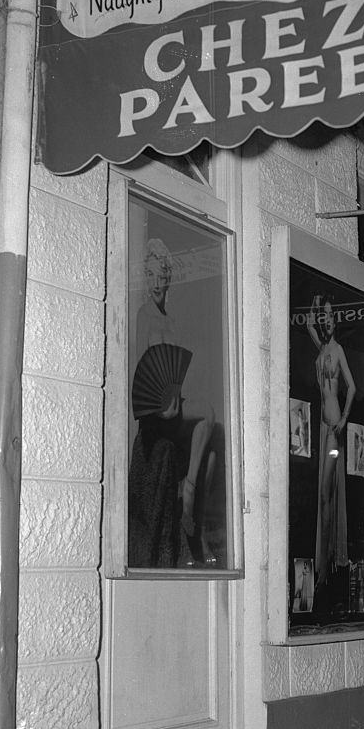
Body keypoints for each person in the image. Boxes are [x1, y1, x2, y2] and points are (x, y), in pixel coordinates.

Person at [130, 238, 216, 566]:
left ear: (167, 278)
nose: (155, 281)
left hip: (174, 405)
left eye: (159, 274)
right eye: (149, 274)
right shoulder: (143, 315)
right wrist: (158, 404)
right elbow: (141, 368)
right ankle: (188, 498)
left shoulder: (172, 319)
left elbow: (174, 370)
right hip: (153, 414)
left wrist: (178, 395)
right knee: (205, 433)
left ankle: (189, 491)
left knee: (208, 418)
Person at [307, 293, 356, 595]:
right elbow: (309, 324)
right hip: (323, 426)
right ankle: (322, 566)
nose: (325, 319)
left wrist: (344, 419)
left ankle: (326, 567)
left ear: (335, 320)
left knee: (327, 495)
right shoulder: (322, 346)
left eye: (329, 315)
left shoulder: (336, 350)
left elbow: (350, 386)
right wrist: (315, 304)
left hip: (333, 426)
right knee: (321, 497)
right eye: (323, 315)